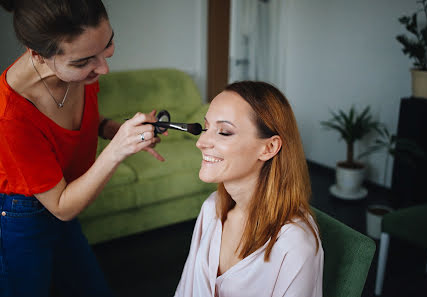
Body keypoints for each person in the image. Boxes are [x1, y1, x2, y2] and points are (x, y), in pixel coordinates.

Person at [0, 0, 166, 296]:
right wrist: (117, 149)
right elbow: (62, 207)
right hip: (24, 214)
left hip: (69, 191)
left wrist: (115, 130)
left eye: (108, 44)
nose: (103, 67)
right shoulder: (11, 116)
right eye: (84, 61)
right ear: (38, 55)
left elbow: (85, 119)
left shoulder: (78, 68)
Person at [175, 81, 324, 297]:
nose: (202, 142)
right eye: (206, 128)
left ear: (269, 147)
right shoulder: (212, 209)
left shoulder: (295, 244)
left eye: (224, 132)